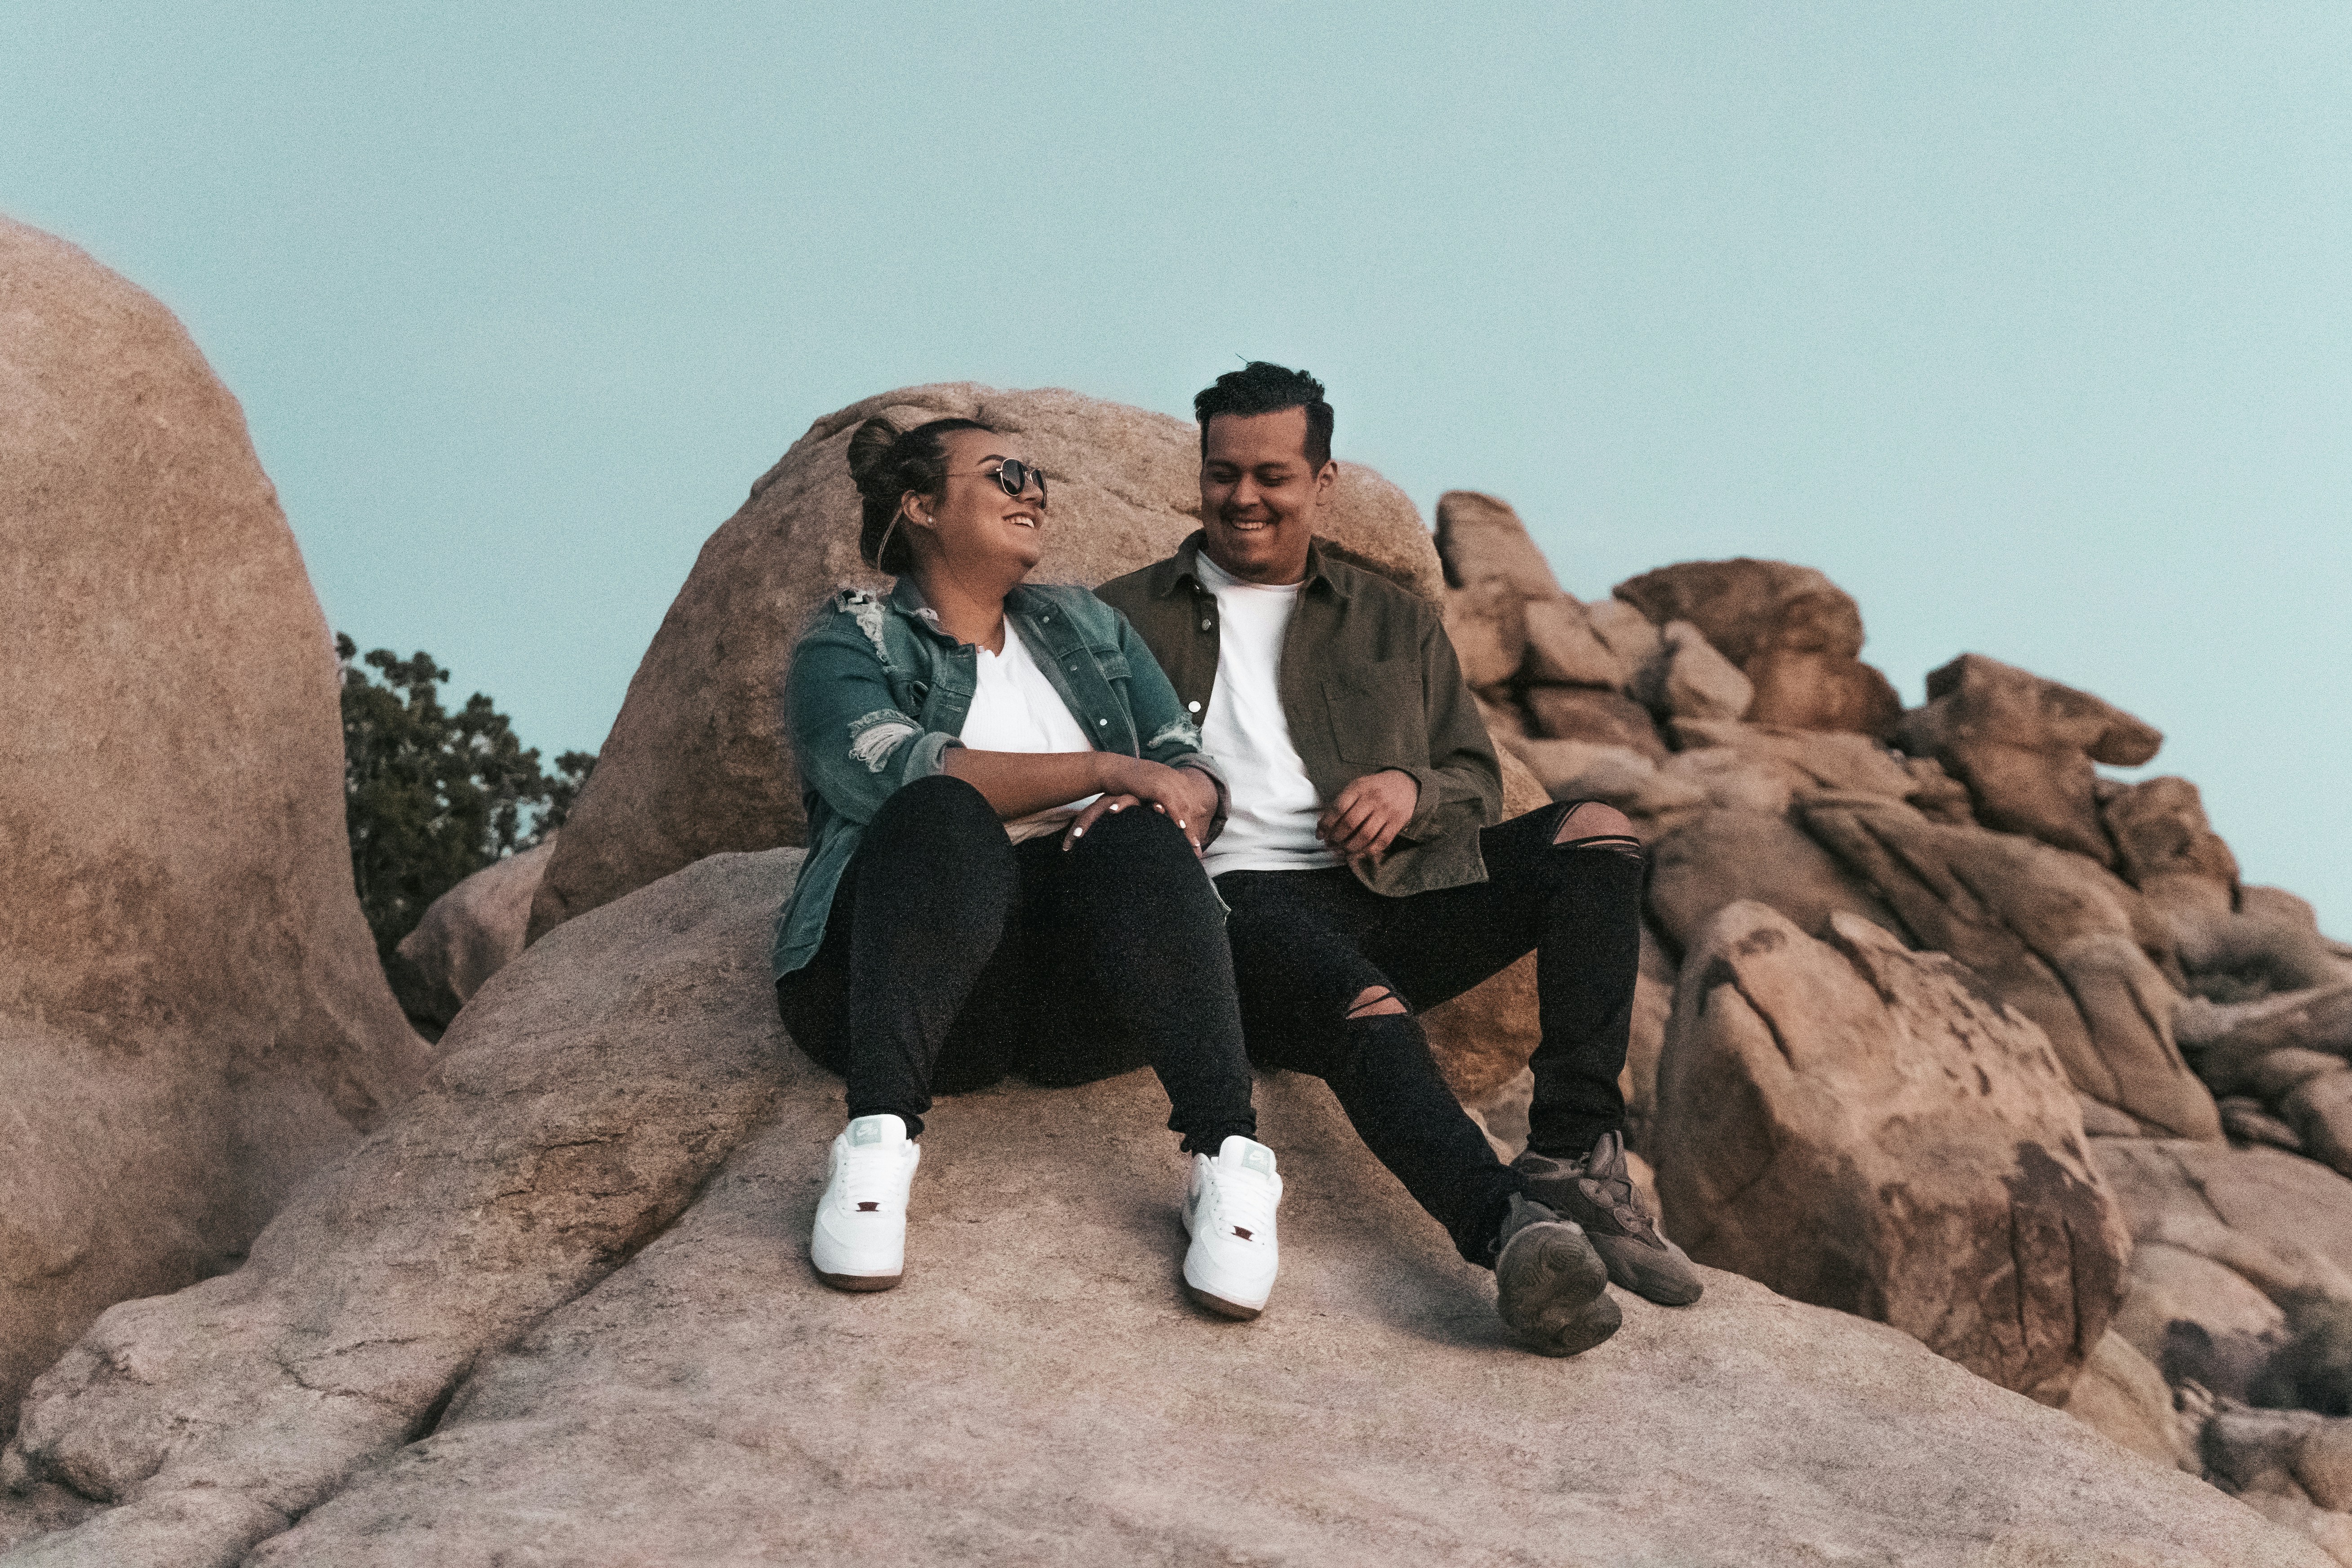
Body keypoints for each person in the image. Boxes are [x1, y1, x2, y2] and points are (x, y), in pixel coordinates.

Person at [1096, 363, 1703, 1358]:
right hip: (1231, 913)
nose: (1244, 497)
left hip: (1389, 890)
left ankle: (1569, 1155)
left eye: (1273, 475)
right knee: (1364, 1002)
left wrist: (1410, 790)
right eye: (1223, 473)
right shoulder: (1119, 619)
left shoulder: (1392, 620)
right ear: (1200, 475)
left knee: (1596, 833)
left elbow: (1470, 773)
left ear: (1323, 480)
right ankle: (1509, 1230)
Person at [771, 413, 1279, 1319]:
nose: (1031, 489)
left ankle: (1229, 1165)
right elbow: (882, 765)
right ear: (921, 505)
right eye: (1004, 474)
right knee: (938, 806)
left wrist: (1169, 795)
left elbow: (1186, 762)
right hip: (915, 982)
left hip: (1076, 996)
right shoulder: (849, 638)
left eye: (1036, 473)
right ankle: (875, 1148)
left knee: (1136, 830)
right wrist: (1102, 769)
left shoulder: (1089, 625)